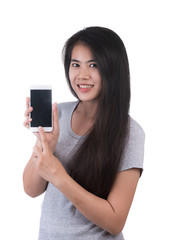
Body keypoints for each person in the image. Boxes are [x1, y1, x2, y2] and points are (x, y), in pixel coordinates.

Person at [23, 26, 145, 240]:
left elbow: (115, 221)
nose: (82, 75)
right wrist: (45, 147)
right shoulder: (58, 113)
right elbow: (31, 189)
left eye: (94, 65)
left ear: (112, 69)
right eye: (75, 64)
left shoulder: (130, 132)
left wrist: (59, 177)